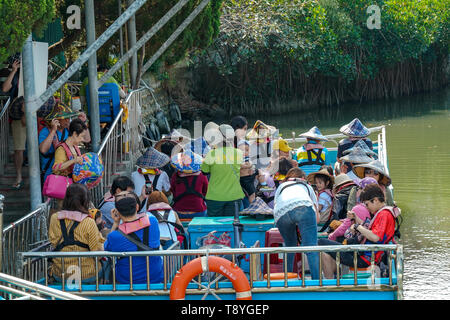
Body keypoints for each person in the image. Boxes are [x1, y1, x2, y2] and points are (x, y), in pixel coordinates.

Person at [318, 184, 396, 279]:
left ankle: (329, 282)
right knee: (327, 250)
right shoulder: (384, 212)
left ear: (375, 200)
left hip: (364, 259)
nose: (367, 208)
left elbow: (375, 237)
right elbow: (370, 230)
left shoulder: (384, 215)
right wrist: (356, 218)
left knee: (321, 242)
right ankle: (331, 280)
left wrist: (357, 226)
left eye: (367, 204)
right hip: (365, 254)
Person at [48, 183, 108, 284]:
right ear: (86, 201)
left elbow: (54, 242)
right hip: (87, 274)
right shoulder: (88, 222)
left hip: (60, 273)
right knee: (108, 263)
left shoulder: (55, 218)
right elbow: (97, 252)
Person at [104, 191, 164, 284]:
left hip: (128, 279)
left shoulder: (114, 236)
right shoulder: (153, 222)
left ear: (117, 212)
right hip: (154, 276)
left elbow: (107, 250)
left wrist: (115, 223)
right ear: (137, 207)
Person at [273, 167, 320, 279]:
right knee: (311, 248)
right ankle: (317, 282)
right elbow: (317, 218)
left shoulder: (281, 186)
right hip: (303, 206)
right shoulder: (307, 186)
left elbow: (276, 204)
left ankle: (288, 279)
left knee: (289, 247)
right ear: (303, 178)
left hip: (281, 213)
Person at [201, 122, 245, 216]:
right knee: (233, 225)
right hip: (235, 196)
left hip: (215, 197)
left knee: (215, 226)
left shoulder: (211, 154)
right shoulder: (238, 153)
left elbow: (204, 171)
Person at [39, 103, 82, 183]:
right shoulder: (45, 131)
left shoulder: (68, 131)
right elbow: (43, 150)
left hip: (69, 176)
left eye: (68, 118)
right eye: (65, 118)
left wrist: (83, 122)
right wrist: (53, 131)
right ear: (56, 119)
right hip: (51, 175)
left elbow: (87, 139)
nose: (68, 120)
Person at [170, 150, 208, 220]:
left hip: (179, 210)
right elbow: (205, 192)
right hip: (198, 210)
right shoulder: (202, 175)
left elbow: (172, 191)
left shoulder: (175, 176)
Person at [8, 96, 26, 189]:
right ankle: (19, 175)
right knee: (19, 149)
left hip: (32, 113)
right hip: (17, 116)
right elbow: (5, 88)